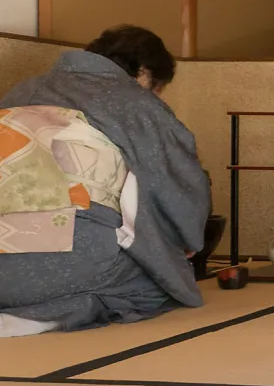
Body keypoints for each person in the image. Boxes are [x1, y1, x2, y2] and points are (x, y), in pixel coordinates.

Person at [0, 26, 210, 336]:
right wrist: (189, 239)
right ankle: (47, 314)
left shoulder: (22, 91)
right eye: (158, 87)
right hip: (70, 261)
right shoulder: (135, 103)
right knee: (158, 284)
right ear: (143, 72)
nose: (156, 95)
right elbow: (177, 184)